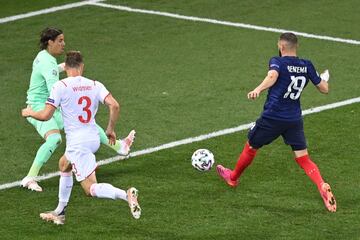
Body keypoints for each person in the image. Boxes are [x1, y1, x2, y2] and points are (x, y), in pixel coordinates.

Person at [216, 32, 336, 212]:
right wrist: (323, 78)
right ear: (296, 47)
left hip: (272, 117)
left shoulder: (278, 61)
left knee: (251, 146)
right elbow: (324, 89)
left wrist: (257, 89)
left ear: (281, 47)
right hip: (294, 119)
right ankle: (321, 186)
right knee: (303, 158)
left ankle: (232, 178)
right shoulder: (306, 65)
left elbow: (272, 76)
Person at [22, 51, 141, 224]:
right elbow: (114, 105)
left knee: (90, 188)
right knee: (64, 164)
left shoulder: (60, 86)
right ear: (82, 66)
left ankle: (126, 195)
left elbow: (46, 115)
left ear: (66, 66)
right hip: (92, 137)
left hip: (79, 144)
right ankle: (60, 212)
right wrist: (110, 129)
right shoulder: (94, 84)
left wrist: (29, 112)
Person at [22, 27, 135, 192]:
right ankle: (29, 178)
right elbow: (55, 89)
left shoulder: (43, 57)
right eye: (60, 40)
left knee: (85, 122)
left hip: (44, 103)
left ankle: (120, 147)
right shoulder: (48, 64)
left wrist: (65, 65)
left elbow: (52, 70)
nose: (63, 44)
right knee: (55, 139)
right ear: (50, 42)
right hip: (39, 106)